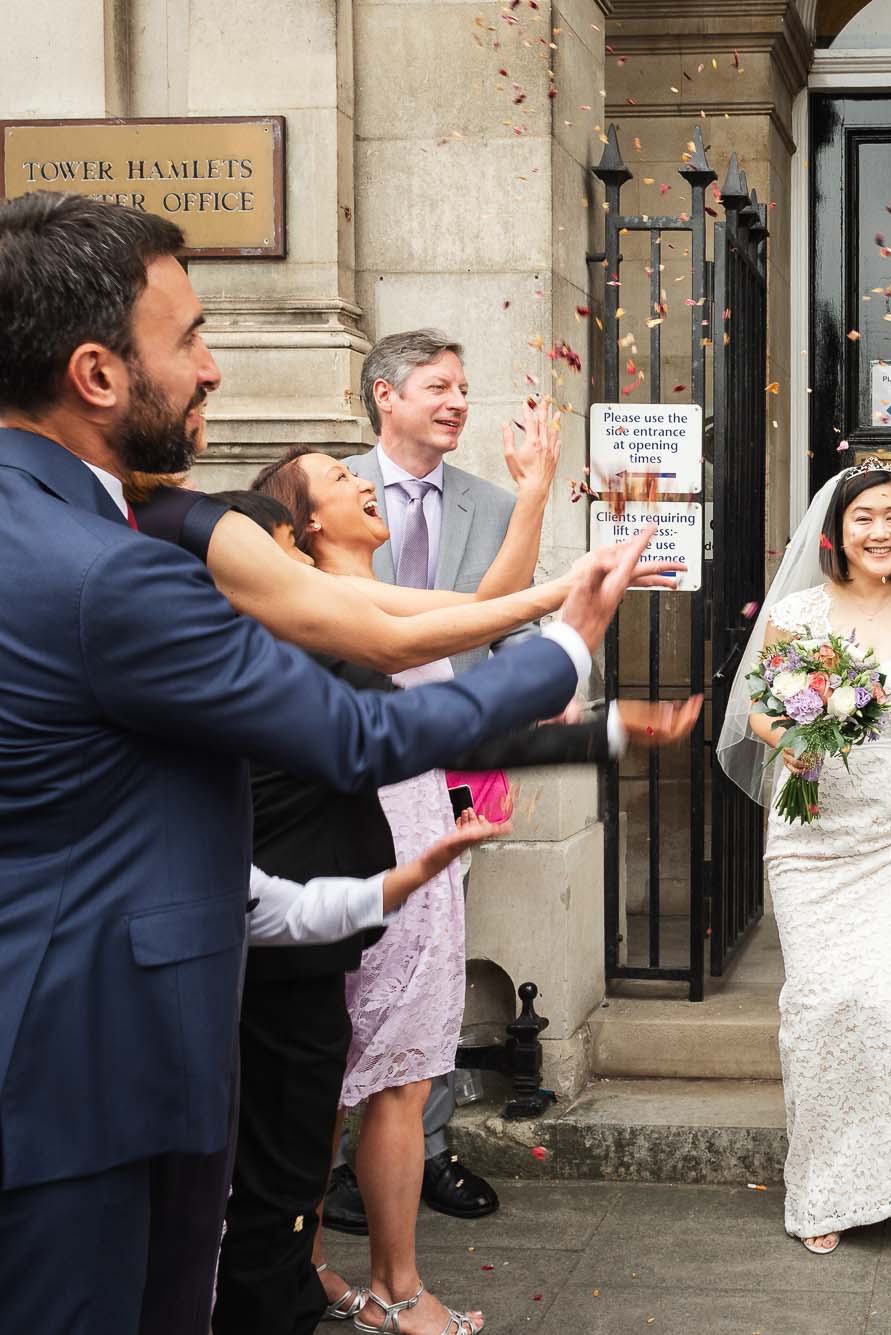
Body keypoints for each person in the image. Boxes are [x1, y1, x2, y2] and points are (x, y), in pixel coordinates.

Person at [0, 191, 644, 1335]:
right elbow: (357, 733)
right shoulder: (113, 569)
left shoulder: (81, 526)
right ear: (97, 375)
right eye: (189, 337)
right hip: (95, 1069)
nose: (210, 370)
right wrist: (563, 648)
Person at [206, 496, 700, 1335]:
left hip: (325, 912)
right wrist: (570, 636)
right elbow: (417, 726)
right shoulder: (284, 653)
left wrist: (599, 721)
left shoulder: (299, 639)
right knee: (282, 1162)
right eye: (331, 478)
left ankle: (300, 1278)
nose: (357, 485)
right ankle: (303, 1287)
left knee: (294, 1153)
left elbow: (444, 675)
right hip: (288, 934)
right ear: (282, 549)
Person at [717, 461, 891, 1255]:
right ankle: (830, 1180)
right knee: (825, 1003)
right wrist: (799, 731)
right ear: (838, 529)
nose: (880, 532)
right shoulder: (799, 610)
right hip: (811, 833)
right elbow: (757, 707)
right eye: (864, 516)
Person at [333, 327, 560, 1229]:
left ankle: (422, 1151)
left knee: (434, 955)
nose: (460, 401)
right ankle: (332, 1161)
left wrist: (543, 690)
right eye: (439, 385)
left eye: (464, 386)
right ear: (385, 394)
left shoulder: (492, 504)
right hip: (346, 758)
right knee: (346, 962)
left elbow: (516, 629)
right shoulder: (328, 490)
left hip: (463, 763)